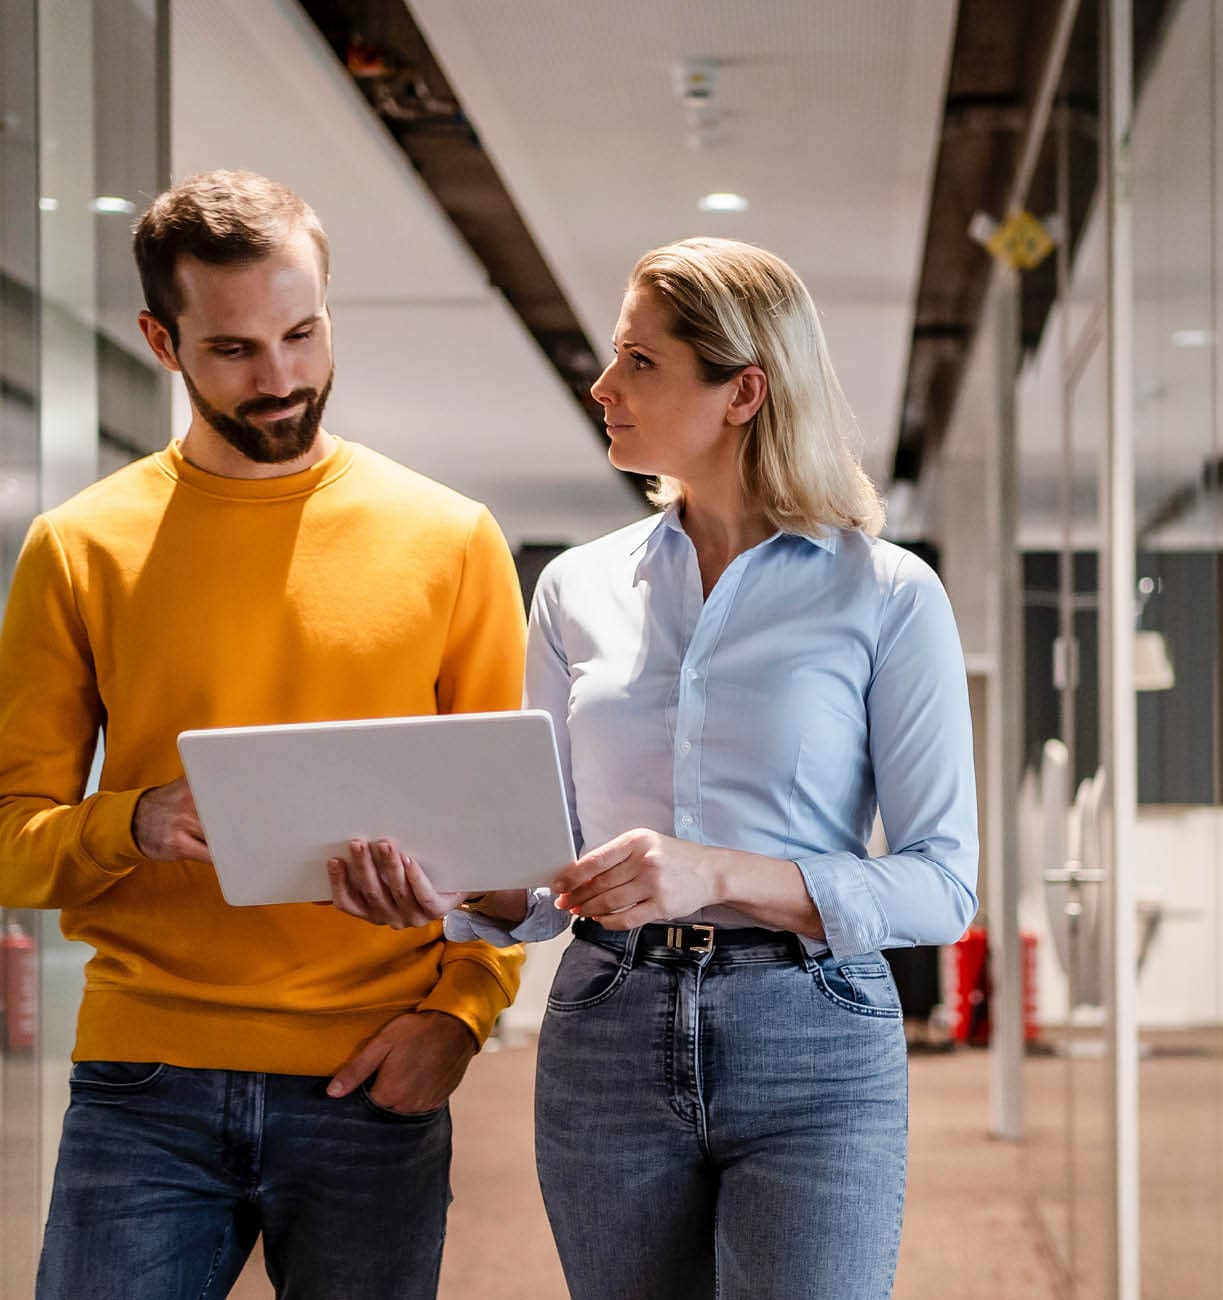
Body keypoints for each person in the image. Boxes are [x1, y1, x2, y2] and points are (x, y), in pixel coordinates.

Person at [330, 236, 980, 1299]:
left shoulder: (887, 593)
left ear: (743, 392)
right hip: (607, 1026)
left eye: (640, 361)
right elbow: (537, 870)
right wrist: (452, 882)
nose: (603, 385)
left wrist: (716, 871)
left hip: (813, 1032)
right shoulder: (576, 590)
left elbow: (943, 884)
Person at [0, 170, 529, 1300]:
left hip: (370, 1073)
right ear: (161, 339)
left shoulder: (451, 540)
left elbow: (513, 850)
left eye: (303, 332)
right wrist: (131, 820)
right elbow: (12, 838)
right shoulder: (79, 548)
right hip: (145, 1079)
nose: (282, 378)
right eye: (236, 350)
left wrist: (462, 1015)